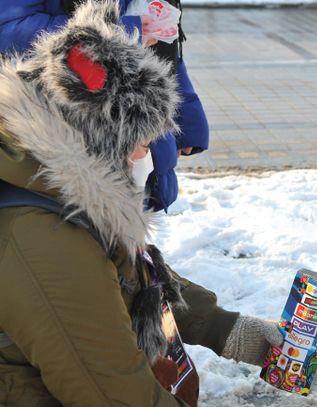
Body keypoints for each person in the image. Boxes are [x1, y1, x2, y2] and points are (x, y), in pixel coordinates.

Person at [0, 2, 281, 406]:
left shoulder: (57, 187)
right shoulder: (42, 235)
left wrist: (226, 330)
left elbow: (132, 277)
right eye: (140, 140)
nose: (143, 155)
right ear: (98, 136)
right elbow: (112, 390)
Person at [0, 0, 209, 212]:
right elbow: (10, 30)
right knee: (78, 227)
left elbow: (164, 46)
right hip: (67, 128)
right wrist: (121, 29)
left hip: (136, 132)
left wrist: (186, 115)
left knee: (128, 223)